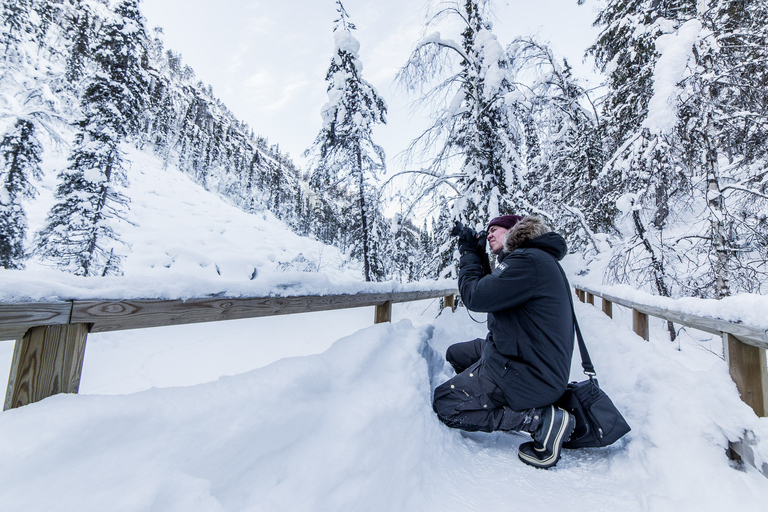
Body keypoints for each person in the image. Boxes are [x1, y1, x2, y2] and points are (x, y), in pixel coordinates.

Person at [432, 214, 576, 469]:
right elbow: (494, 291)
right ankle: (490, 397)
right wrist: (477, 255)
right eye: (487, 231)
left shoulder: (527, 261)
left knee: (445, 403)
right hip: (525, 359)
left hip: (527, 373)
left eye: (495, 230)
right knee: (456, 353)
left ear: (514, 232)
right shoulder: (532, 260)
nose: (488, 235)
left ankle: (539, 420)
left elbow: (476, 297)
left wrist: (468, 255)